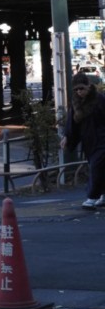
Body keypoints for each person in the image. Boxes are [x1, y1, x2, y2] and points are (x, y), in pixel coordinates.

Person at [60, 72, 105, 210]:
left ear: (88, 86)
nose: (79, 92)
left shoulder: (99, 99)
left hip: (102, 139)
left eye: (82, 88)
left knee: (96, 166)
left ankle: (92, 197)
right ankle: (103, 195)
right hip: (88, 140)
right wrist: (67, 136)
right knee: (99, 167)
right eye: (76, 89)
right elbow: (72, 123)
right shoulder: (76, 103)